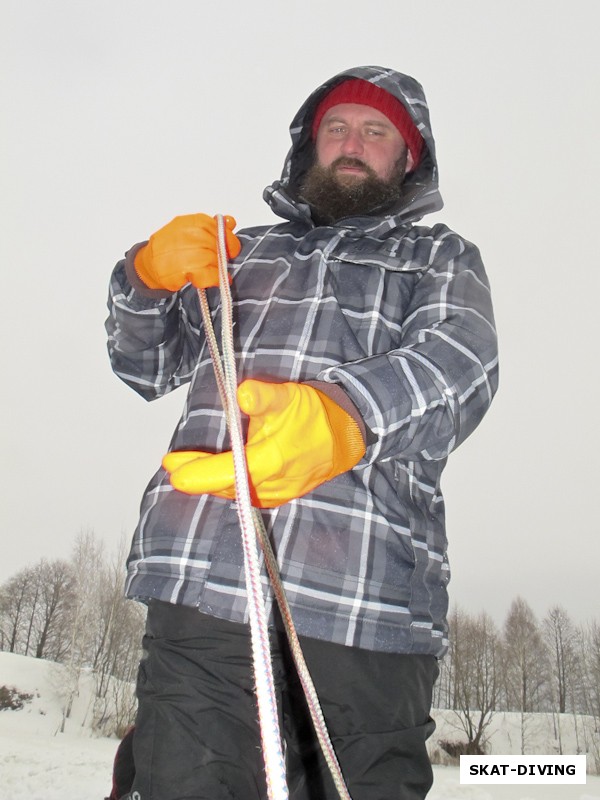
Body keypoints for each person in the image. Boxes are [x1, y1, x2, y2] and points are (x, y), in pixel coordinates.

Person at [106, 65, 498, 800]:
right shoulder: (244, 251)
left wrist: (345, 416)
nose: (354, 142)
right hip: (203, 588)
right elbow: (144, 362)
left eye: (377, 131)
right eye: (337, 128)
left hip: (370, 603)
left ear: (407, 159)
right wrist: (146, 278)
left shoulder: (439, 257)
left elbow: (464, 364)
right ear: (307, 149)